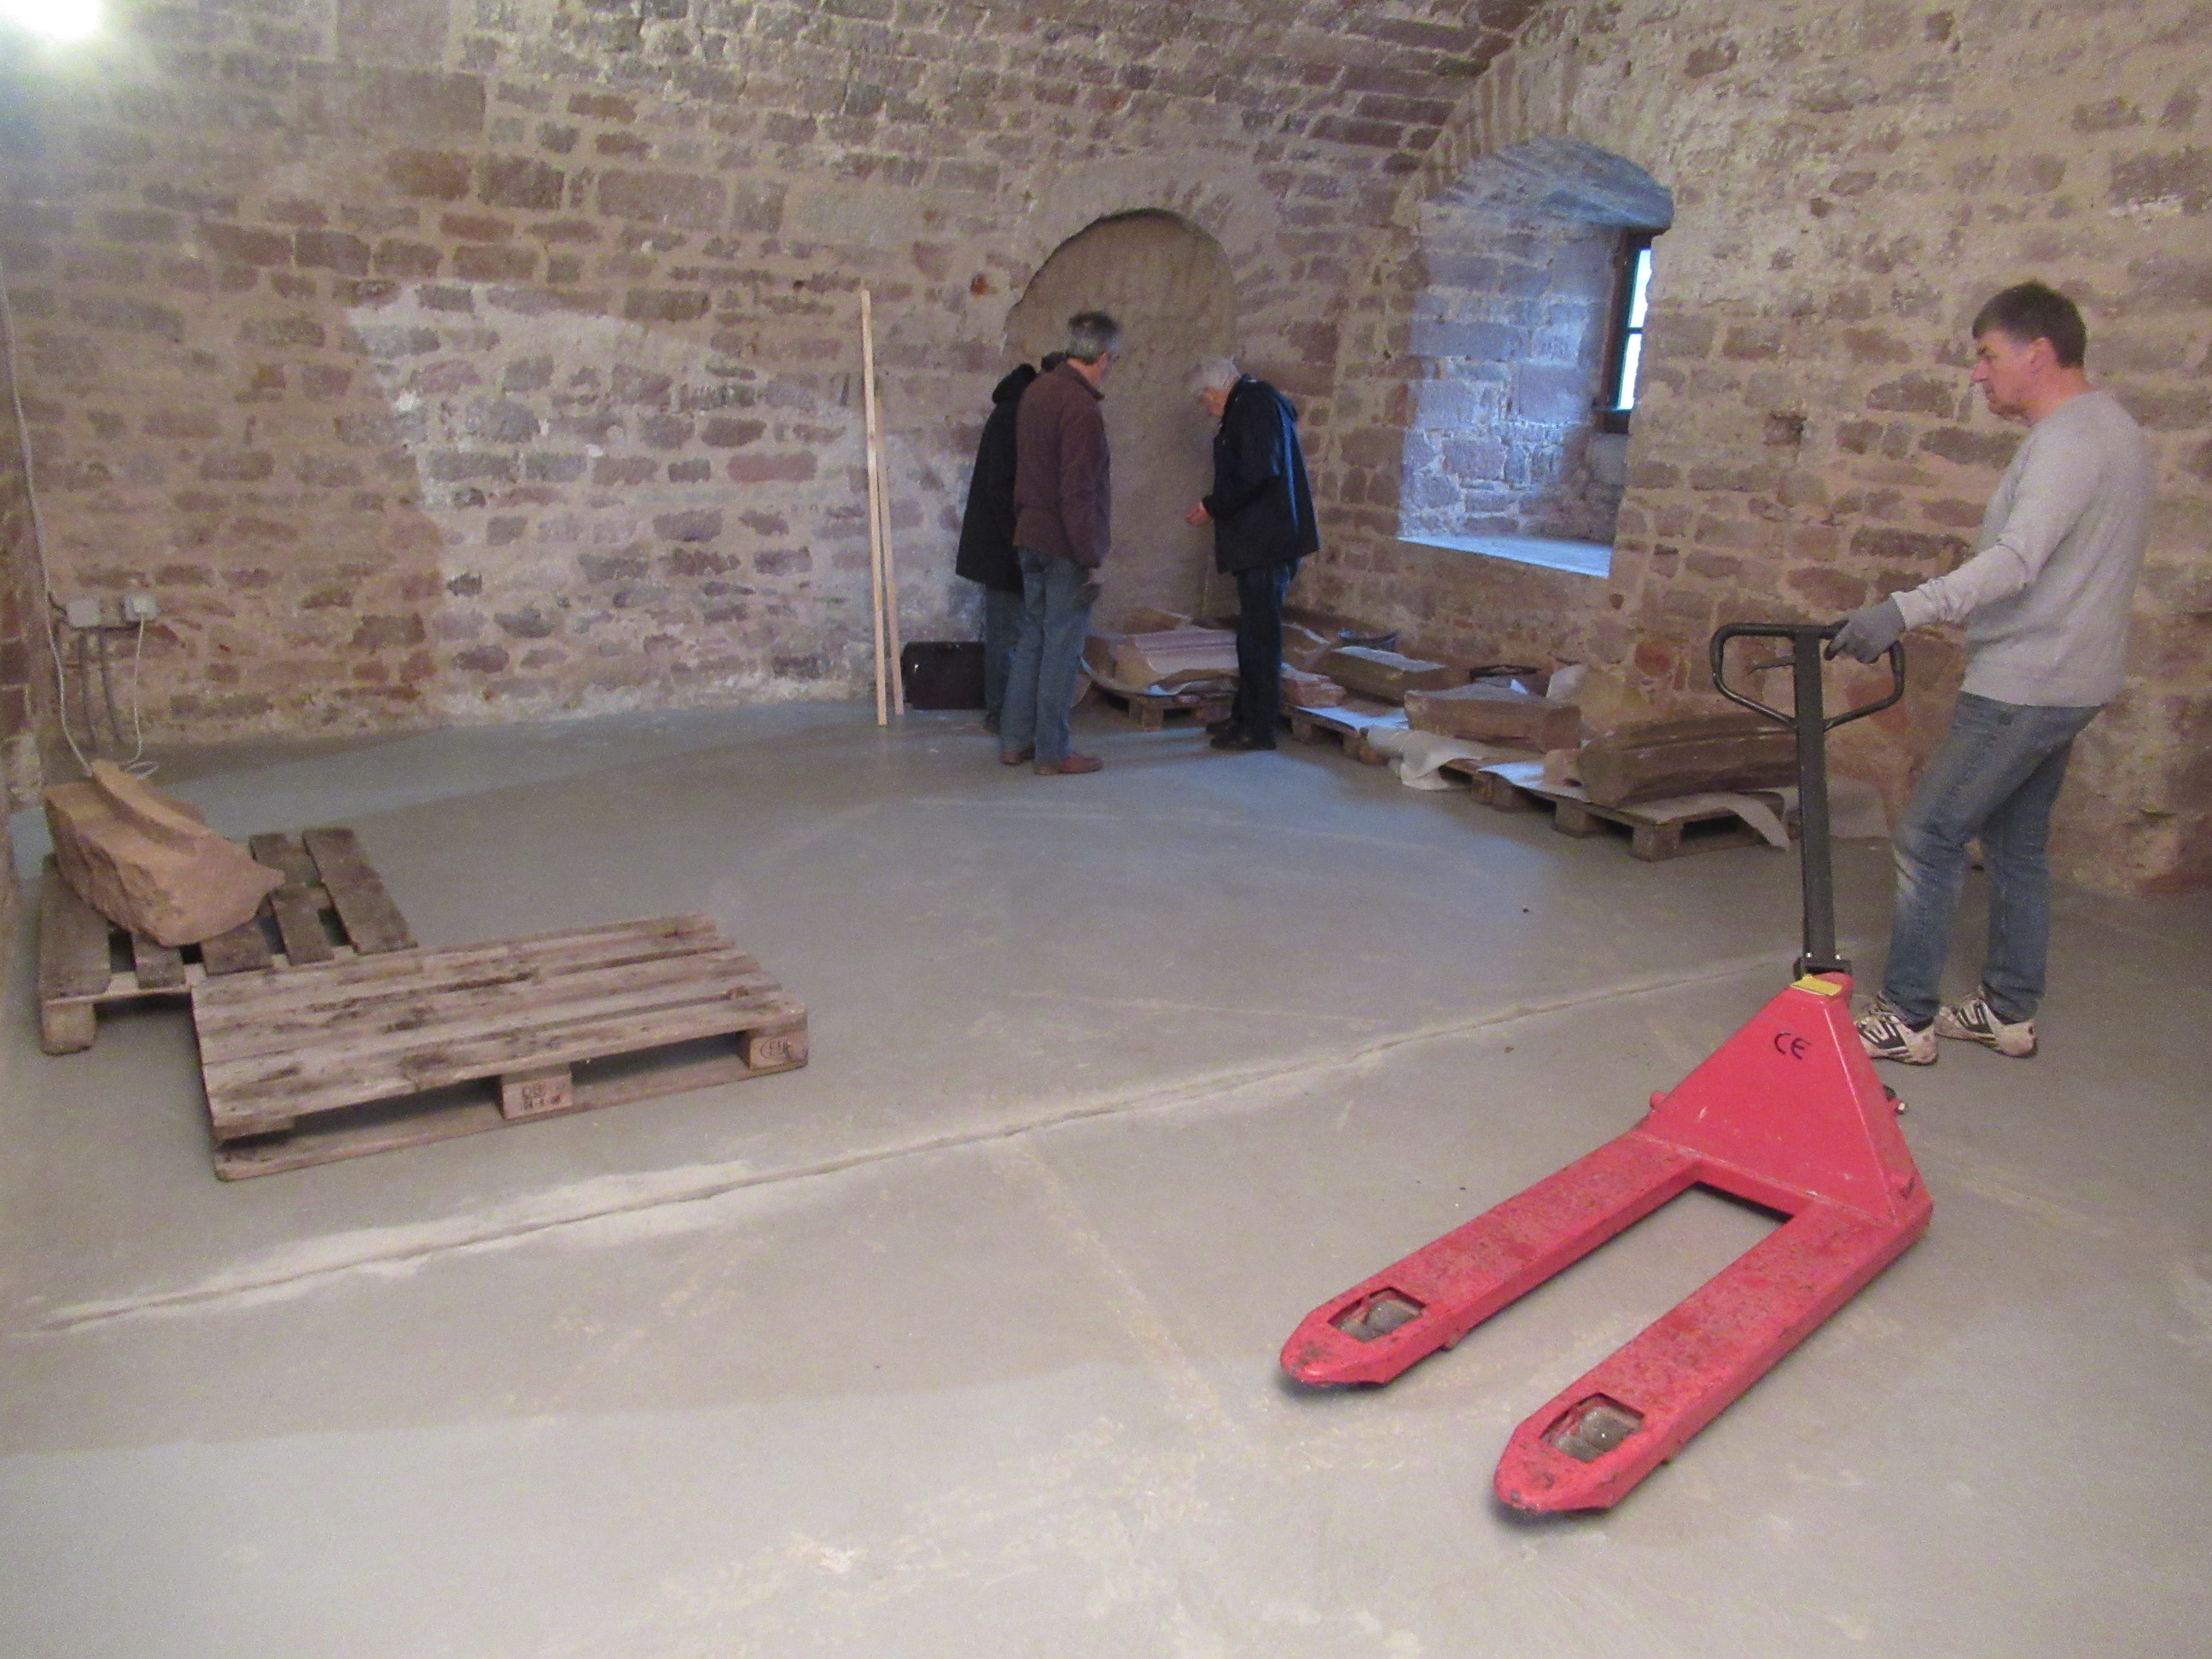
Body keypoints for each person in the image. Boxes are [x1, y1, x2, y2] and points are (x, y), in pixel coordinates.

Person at [1829, 282, 2152, 1064]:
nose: (1979, 374)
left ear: (2038, 353)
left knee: (1928, 833)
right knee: (2016, 841)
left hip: (2025, 682)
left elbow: (2016, 560)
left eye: (1987, 355)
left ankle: (1907, 1017)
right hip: (2075, 679)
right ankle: (2006, 1010)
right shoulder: (2114, 428)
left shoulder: (2069, 441)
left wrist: (1903, 610)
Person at [1000, 312, 1120, 777]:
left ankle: (1015, 741)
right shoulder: (1081, 407)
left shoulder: (1038, 391)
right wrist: (1089, 556)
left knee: (1032, 639)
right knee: (1061, 648)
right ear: (1103, 357)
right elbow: (1078, 490)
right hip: (1064, 542)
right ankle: (1052, 751)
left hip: (1029, 533)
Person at [1184, 357, 1319, 751]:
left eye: (1204, 400)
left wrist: (1214, 505)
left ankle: (1259, 728)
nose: (1206, 409)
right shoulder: (1251, 404)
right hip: (1261, 542)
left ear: (1215, 391)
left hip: (1268, 543)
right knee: (1251, 635)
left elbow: (1258, 472)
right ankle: (1245, 716)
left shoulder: (1256, 405)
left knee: (1260, 637)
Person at [954, 353, 1063, 731]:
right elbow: (1002, 488)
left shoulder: (1023, 411)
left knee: (1017, 631)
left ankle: (1012, 711)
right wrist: (1021, 543)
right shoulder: (1013, 415)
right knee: (1006, 633)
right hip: (1004, 544)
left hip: (1014, 539)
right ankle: (1001, 713)